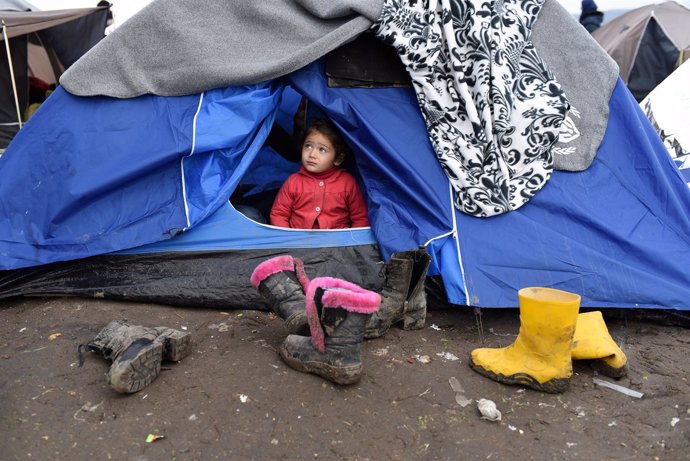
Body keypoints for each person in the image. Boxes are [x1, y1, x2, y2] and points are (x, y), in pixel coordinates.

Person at [270, 118, 369, 229]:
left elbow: (361, 218)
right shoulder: (293, 182)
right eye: (308, 146)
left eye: (322, 150)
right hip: (299, 243)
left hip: (337, 244)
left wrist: (353, 244)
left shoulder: (347, 183)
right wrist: (288, 240)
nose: (312, 154)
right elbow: (279, 214)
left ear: (338, 159)